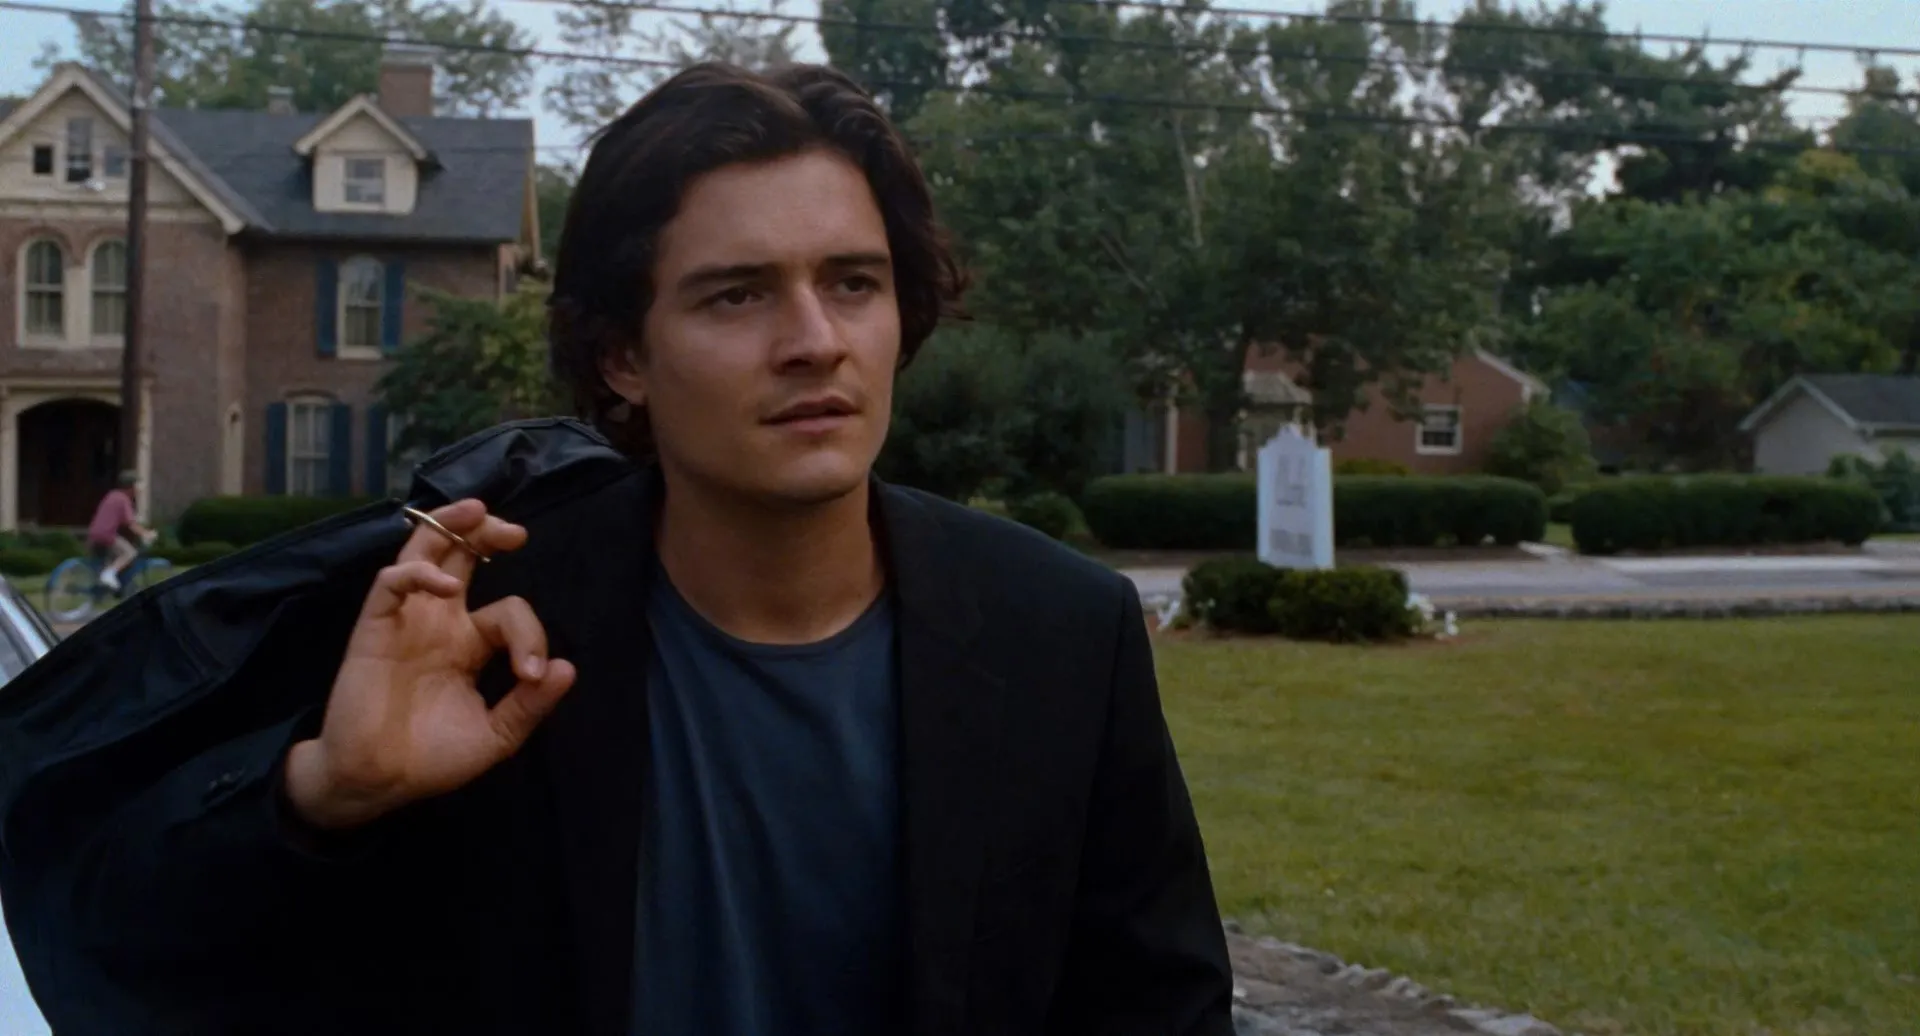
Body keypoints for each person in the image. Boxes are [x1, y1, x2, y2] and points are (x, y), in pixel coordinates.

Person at [73, 63, 1233, 1034]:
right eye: (737, 296)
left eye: (853, 283)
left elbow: (1161, 1010)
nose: (815, 340)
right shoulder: (477, 636)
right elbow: (109, 947)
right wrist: (324, 794)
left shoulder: (1059, 635)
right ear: (623, 356)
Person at [84, 470, 153, 591]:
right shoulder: (123, 499)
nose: (139, 489)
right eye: (138, 485)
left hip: (94, 535)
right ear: (131, 487)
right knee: (130, 553)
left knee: (114, 557)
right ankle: (108, 574)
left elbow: (118, 518)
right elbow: (131, 525)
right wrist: (146, 534)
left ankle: (110, 585)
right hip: (107, 536)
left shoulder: (112, 495)